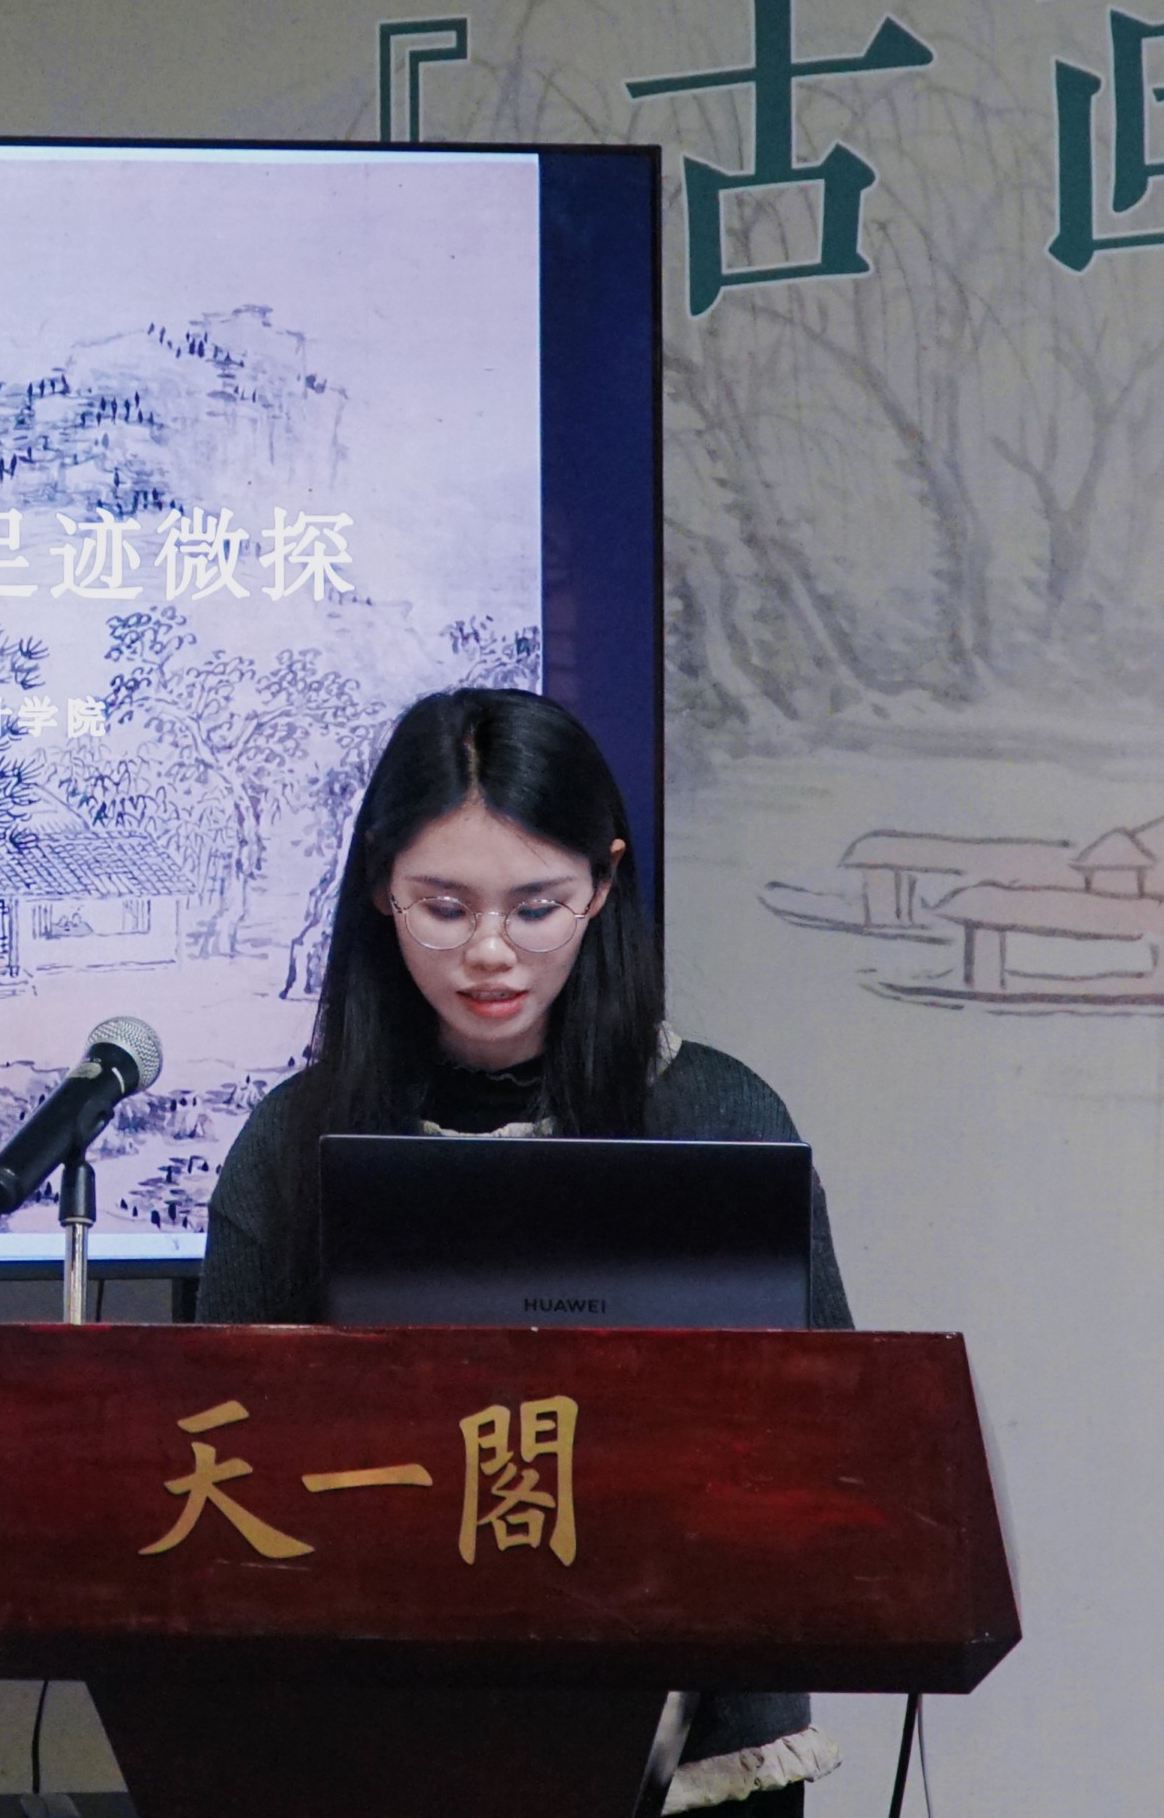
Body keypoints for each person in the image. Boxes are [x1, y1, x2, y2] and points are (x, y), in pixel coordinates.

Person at [196, 686, 847, 1814]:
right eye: (444, 908)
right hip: (379, 1734)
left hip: (697, 1735)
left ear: (603, 884)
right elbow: (227, 1456)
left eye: (536, 907)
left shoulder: (718, 1117)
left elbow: (835, 1431)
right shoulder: (291, 1146)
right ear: (379, 888)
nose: (489, 953)